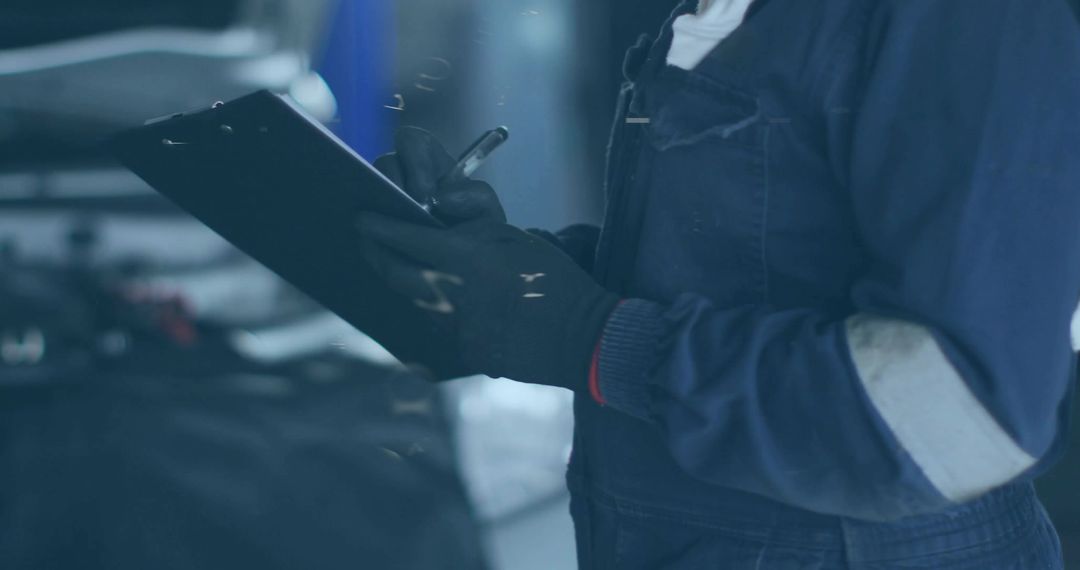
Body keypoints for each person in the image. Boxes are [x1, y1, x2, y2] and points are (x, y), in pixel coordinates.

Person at [358, 0, 1080, 567]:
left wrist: (592, 337)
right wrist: (516, 275)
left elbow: (964, 413)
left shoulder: (965, 16)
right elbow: (758, 264)